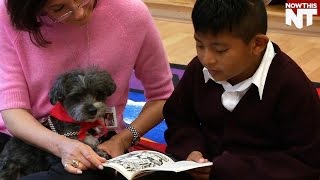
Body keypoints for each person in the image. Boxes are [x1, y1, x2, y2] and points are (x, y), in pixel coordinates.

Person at [0, 0, 173, 178]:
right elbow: (13, 113)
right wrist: (62, 145)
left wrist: (123, 139)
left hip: (98, 139)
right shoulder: (9, 15)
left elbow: (163, 96)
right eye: (59, 8)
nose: (79, 13)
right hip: (24, 136)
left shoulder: (131, 13)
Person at [163, 0, 320, 179]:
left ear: (257, 44)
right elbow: (178, 118)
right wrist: (192, 150)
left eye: (220, 50)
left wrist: (230, 170)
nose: (207, 59)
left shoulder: (292, 86)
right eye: (200, 45)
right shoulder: (199, 70)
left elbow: (307, 162)